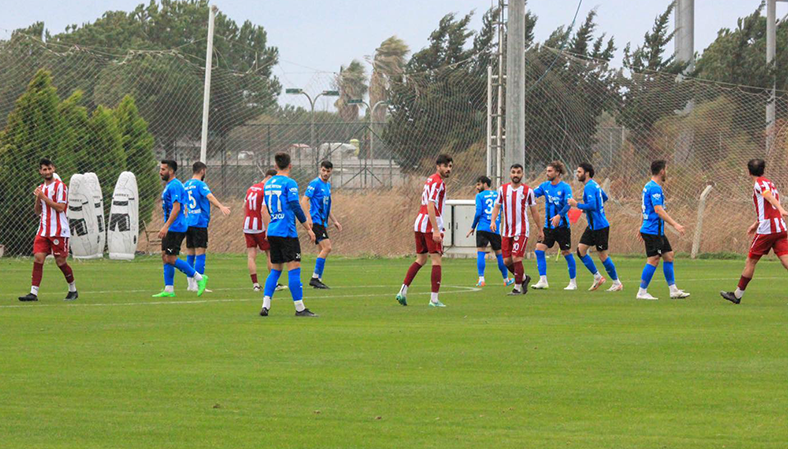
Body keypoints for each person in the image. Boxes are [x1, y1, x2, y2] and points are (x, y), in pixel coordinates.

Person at [721, 159, 788, 304]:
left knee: (751, 260)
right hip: (780, 227)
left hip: (768, 229)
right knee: (785, 259)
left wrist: (781, 208)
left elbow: (768, 197)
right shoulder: (769, 182)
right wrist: (756, 223)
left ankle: (737, 295)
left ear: (749, 171)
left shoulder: (760, 184)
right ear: (763, 170)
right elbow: (767, 206)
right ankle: (737, 295)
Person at [259, 152, 317, 317]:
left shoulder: (268, 184)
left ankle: (265, 305)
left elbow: (267, 208)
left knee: (275, 270)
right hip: (286, 231)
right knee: (294, 268)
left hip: (273, 230)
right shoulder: (290, 183)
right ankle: (300, 308)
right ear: (290, 166)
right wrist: (308, 227)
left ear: (276, 166)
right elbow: (295, 205)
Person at [395, 154, 453, 307]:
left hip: (419, 223)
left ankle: (403, 291)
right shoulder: (438, 182)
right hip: (429, 225)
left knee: (421, 259)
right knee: (436, 260)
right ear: (438, 166)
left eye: (450, 166)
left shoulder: (430, 179)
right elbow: (431, 204)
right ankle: (434, 299)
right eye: (445, 166)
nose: (448, 169)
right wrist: (435, 230)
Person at [18, 158, 78, 302]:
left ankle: (72, 289)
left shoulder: (60, 187)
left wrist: (43, 197)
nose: (47, 172)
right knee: (38, 258)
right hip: (43, 230)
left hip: (58, 230)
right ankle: (33, 293)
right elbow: (38, 211)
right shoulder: (41, 188)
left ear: (54, 169)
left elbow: (60, 207)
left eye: (49, 169)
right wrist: (38, 199)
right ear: (40, 171)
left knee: (60, 262)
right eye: (44, 169)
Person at [152, 160, 208, 298]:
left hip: (176, 228)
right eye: (161, 169)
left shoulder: (176, 185)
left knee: (171, 258)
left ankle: (199, 278)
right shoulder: (169, 186)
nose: (161, 172)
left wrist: (166, 226)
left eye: (163, 169)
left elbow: (177, 208)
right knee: (165, 256)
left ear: (171, 171)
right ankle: (169, 289)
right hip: (171, 226)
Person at [636, 160, 690, 300]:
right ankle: (642, 292)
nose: (666, 172)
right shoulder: (655, 188)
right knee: (653, 259)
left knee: (669, 255)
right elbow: (658, 210)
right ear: (662, 171)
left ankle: (673, 290)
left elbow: (644, 209)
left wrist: (641, 225)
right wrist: (675, 224)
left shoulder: (648, 186)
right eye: (666, 169)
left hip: (653, 230)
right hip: (653, 230)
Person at [567, 162, 622, 292]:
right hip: (592, 226)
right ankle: (597, 277)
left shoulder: (590, 187)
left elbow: (592, 205)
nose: (577, 174)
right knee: (581, 251)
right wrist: (593, 209)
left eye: (579, 172)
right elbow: (605, 197)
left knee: (602, 256)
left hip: (600, 226)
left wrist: (577, 204)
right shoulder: (595, 185)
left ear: (586, 173)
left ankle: (617, 283)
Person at [490, 164, 541, 296]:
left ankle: (517, 287)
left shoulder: (528, 191)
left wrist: (540, 229)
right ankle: (523, 278)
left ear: (522, 174)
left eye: (518, 172)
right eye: (513, 172)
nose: (516, 175)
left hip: (521, 229)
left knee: (516, 257)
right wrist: (493, 221)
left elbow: (534, 211)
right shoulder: (502, 190)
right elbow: (497, 206)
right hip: (507, 230)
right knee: (506, 261)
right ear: (510, 174)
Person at [184, 161, 231, 292]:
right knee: (200, 253)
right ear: (202, 171)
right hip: (199, 223)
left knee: (190, 253)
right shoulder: (200, 184)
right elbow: (209, 196)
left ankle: (190, 285)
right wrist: (221, 206)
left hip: (189, 222)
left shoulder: (186, 184)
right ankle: (199, 285)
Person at [531, 161, 577, 290]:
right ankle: (543, 280)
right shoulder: (545, 186)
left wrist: (559, 216)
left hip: (562, 227)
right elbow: (531, 194)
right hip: (548, 227)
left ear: (557, 172)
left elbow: (568, 204)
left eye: (550, 171)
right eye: (547, 171)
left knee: (566, 252)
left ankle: (573, 282)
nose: (547, 173)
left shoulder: (565, 187)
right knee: (539, 250)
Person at [466, 175, 513, 287]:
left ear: (484, 184)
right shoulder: (498, 195)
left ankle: (481, 279)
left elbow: (478, 213)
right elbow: (503, 210)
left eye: (479, 184)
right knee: (499, 255)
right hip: (494, 228)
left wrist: (473, 226)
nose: (477, 187)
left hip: (482, 227)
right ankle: (506, 279)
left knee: (481, 253)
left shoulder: (479, 196)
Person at [302, 160, 343, 289]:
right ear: (320, 169)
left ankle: (318, 279)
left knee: (321, 250)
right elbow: (303, 201)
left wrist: (335, 220)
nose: (325, 173)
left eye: (328, 171)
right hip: (316, 221)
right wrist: (308, 218)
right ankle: (314, 278)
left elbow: (326, 207)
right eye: (323, 170)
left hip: (322, 222)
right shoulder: (315, 183)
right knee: (327, 248)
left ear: (331, 171)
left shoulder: (327, 186)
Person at [244, 169, 286, 292]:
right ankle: (274, 283)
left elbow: (244, 207)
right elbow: (263, 211)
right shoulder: (266, 190)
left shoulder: (251, 188)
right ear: (269, 177)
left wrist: (246, 219)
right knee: (269, 253)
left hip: (247, 225)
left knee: (251, 256)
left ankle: (255, 284)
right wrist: (268, 229)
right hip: (260, 227)